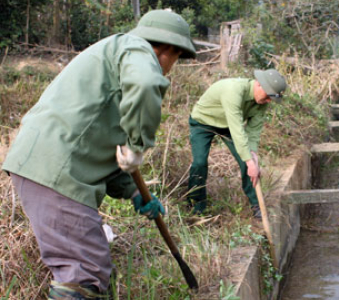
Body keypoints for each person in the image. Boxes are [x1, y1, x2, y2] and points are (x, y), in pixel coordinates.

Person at [2, 10, 196, 299]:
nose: (170, 68)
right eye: (176, 59)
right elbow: (145, 84)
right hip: (57, 171)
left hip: (46, 165)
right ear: (168, 50)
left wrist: (135, 193)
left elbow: (101, 146)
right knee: (84, 271)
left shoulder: (113, 56)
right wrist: (137, 143)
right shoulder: (138, 49)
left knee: (91, 267)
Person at [187, 69, 287, 218]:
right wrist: (250, 162)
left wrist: (252, 155)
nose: (268, 101)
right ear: (259, 84)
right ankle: (196, 205)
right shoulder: (233, 91)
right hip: (203, 121)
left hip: (227, 126)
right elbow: (237, 129)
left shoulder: (262, 102)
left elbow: (253, 131)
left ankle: (256, 204)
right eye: (268, 97)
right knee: (199, 162)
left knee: (247, 161)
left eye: (271, 99)